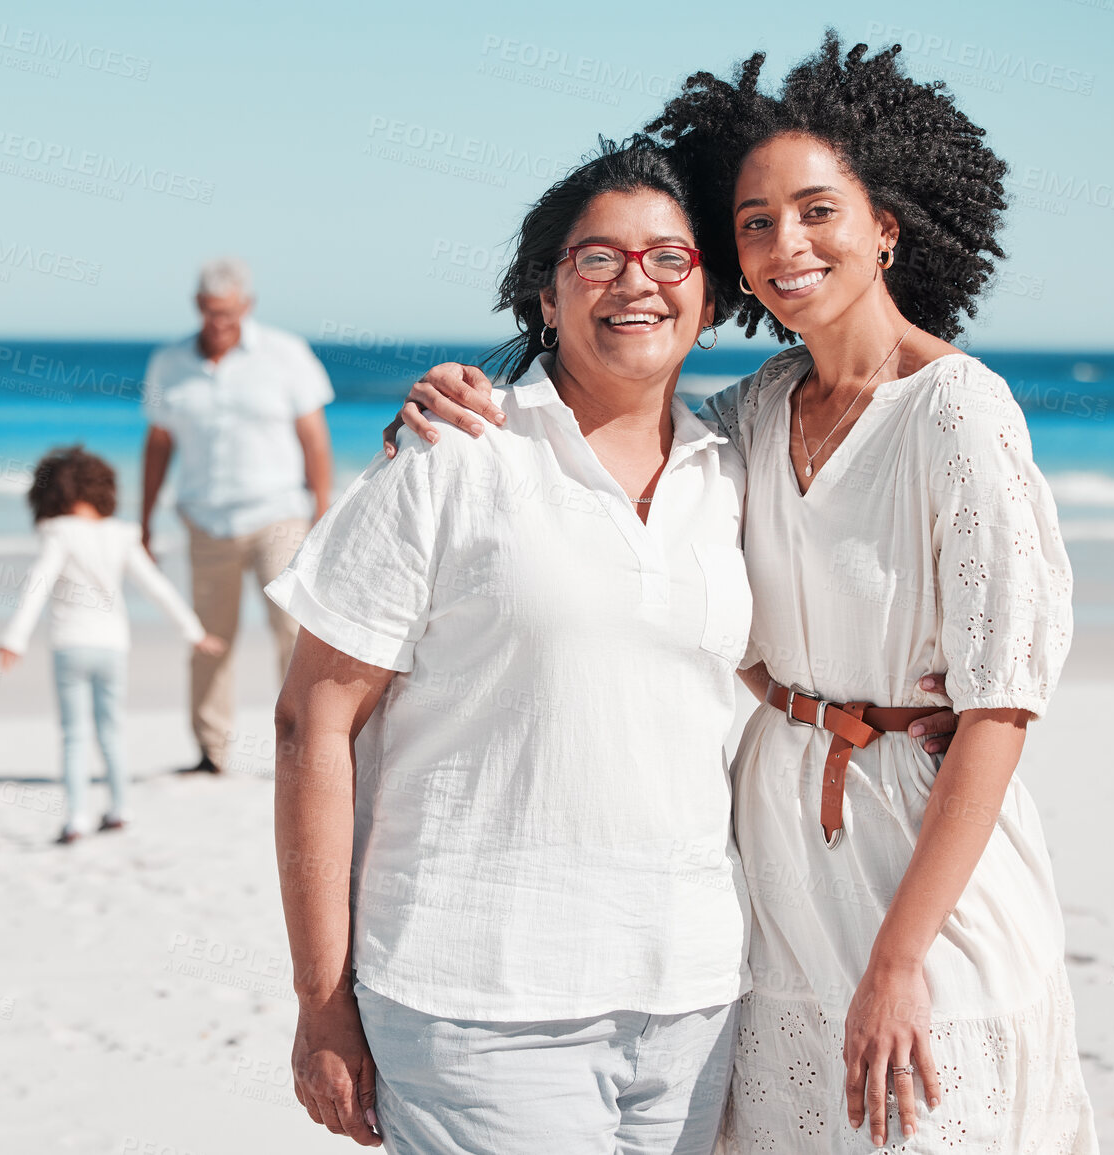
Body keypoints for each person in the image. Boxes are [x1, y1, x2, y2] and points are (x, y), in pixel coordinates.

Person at [388, 34, 1096, 1153]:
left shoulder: (959, 413)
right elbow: (629, 486)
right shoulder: (757, 412)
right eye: (756, 223)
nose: (786, 246)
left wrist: (902, 962)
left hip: (920, 861)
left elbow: (1001, 708)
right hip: (771, 864)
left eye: (818, 212)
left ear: (888, 227)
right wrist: (470, 393)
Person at [270, 138, 761, 1154]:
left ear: (710, 297)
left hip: (698, 995)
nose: (638, 282)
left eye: (671, 258)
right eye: (599, 258)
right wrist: (321, 1003)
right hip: (475, 1001)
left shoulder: (744, 467)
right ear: (546, 295)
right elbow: (309, 720)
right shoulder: (455, 456)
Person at [140, 257, 334, 775]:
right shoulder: (168, 364)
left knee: (294, 635)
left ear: (246, 306)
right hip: (205, 523)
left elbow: (314, 439)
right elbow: (158, 444)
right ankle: (211, 752)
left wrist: (323, 515)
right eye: (209, 311)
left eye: (227, 312)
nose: (218, 322)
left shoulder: (285, 355)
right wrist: (143, 521)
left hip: (279, 515)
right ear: (197, 306)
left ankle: (306, 745)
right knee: (208, 639)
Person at [0, 446, 224, 842]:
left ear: (50, 495)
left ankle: (77, 818)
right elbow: (157, 588)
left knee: (74, 734)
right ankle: (121, 809)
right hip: (113, 647)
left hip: (70, 646)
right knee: (112, 730)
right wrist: (194, 631)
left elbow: (38, 585)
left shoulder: (59, 533)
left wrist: (13, 639)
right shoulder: (122, 535)